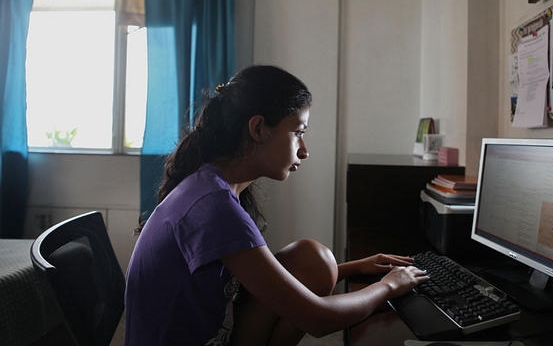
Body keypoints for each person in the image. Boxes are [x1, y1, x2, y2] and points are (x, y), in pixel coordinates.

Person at [124, 65, 429, 346]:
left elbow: (262, 284)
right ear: (258, 129)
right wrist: (389, 286)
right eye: (298, 132)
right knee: (317, 266)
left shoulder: (212, 187)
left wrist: (352, 268)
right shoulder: (214, 206)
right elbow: (319, 319)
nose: (304, 151)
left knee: (314, 259)